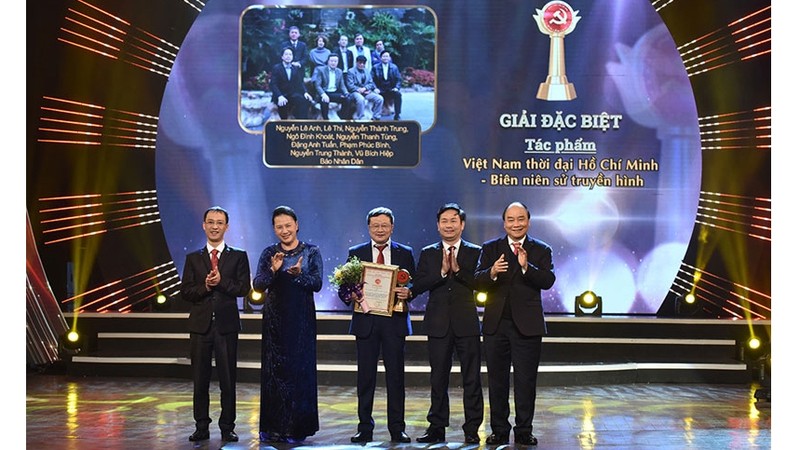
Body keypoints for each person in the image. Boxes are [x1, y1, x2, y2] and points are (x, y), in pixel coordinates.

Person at [474, 201, 556, 447]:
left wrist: (525, 266)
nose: (516, 224)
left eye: (520, 219)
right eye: (511, 219)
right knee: (497, 381)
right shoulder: (491, 248)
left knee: (525, 381)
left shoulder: (540, 249)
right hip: (496, 326)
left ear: (528, 221)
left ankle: (523, 431)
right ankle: (499, 430)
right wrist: (492, 272)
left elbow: (548, 280)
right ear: (504, 223)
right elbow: (477, 281)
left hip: (527, 327)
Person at [340, 207, 415, 443]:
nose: (380, 229)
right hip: (366, 322)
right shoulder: (357, 252)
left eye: (384, 225)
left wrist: (408, 292)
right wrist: (350, 295)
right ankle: (364, 427)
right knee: (365, 378)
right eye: (375, 225)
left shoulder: (405, 252)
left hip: (394, 323)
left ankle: (397, 428)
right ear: (369, 228)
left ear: (392, 227)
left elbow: (414, 283)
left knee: (396, 378)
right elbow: (344, 288)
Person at [413, 203, 483, 444]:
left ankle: (472, 428)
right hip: (438, 324)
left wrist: (458, 271)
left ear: (462, 225)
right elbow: (418, 285)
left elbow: (481, 283)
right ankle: (436, 427)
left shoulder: (476, 252)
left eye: (454, 220)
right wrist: (442, 273)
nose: (449, 225)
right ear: (438, 225)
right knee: (438, 378)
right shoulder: (428, 252)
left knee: (471, 378)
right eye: (444, 220)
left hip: (467, 324)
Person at [253, 205, 323, 443]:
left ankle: (298, 427)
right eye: (279, 226)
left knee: (299, 371)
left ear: (297, 225)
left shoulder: (311, 251)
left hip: (301, 320)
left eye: (288, 226)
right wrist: (274, 270)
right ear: (274, 229)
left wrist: (298, 275)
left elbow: (317, 283)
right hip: (274, 321)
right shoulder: (268, 253)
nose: (284, 230)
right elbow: (258, 286)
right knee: (274, 373)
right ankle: (272, 427)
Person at [181, 206, 251, 443]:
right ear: (203, 225)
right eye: (210, 222)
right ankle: (201, 426)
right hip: (200, 327)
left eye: (219, 222)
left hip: (226, 326)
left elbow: (243, 289)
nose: (214, 226)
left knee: (228, 380)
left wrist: (221, 283)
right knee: (199, 380)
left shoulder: (238, 256)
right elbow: (186, 292)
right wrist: (206, 287)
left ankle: (227, 426)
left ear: (226, 227)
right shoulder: (193, 258)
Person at [270, 47, 314, 119]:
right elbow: (273, 84)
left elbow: (300, 83)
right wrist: (279, 96)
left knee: (305, 100)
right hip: (281, 94)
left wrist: (305, 92)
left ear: (292, 57)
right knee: (283, 104)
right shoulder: (277, 68)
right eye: (286, 54)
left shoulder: (295, 68)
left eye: (290, 54)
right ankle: (284, 126)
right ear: (282, 57)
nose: (288, 56)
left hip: (292, 94)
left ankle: (301, 123)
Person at [312, 54, 354, 120]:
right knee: (324, 101)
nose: (333, 63)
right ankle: (326, 121)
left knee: (347, 99)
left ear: (337, 62)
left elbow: (342, 85)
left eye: (335, 61)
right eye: (331, 61)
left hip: (334, 93)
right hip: (324, 92)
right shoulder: (321, 70)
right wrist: (323, 94)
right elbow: (317, 85)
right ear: (328, 61)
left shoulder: (339, 71)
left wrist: (346, 93)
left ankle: (343, 119)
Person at [346, 55, 384, 121]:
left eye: (363, 63)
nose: (361, 65)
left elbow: (371, 83)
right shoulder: (350, 71)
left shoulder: (367, 71)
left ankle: (376, 116)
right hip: (355, 92)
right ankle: (360, 118)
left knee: (379, 98)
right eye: (360, 63)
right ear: (356, 62)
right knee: (361, 99)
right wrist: (360, 90)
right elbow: (350, 85)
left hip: (366, 92)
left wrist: (365, 88)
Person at [371, 50, 403, 120]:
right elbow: (371, 80)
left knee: (398, 95)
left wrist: (396, 88)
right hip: (380, 89)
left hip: (390, 89)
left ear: (389, 58)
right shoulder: (375, 67)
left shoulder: (394, 67)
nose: (385, 58)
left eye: (387, 56)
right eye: (384, 56)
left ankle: (397, 114)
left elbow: (399, 79)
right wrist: (375, 88)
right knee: (374, 96)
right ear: (380, 58)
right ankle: (375, 115)